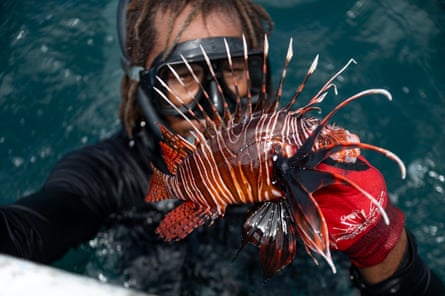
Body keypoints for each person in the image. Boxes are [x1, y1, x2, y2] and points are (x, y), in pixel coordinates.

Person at [0, 0, 443, 295]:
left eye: (233, 70)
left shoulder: (305, 164)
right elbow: (34, 225)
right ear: (144, 89)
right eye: (183, 76)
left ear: (263, 75)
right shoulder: (109, 174)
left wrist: (380, 243)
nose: (215, 103)